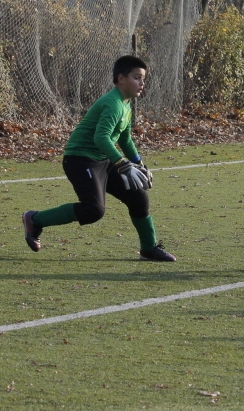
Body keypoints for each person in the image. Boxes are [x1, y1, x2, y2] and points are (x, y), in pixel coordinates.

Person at [21, 54, 175, 261]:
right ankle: (35, 219)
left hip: (103, 158)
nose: (142, 83)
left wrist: (138, 163)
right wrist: (122, 163)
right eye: (137, 77)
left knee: (138, 198)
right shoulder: (113, 103)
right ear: (121, 79)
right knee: (93, 210)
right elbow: (100, 137)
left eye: (143, 78)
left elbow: (125, 138)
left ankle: (149, 248)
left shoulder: (126, 103)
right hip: (80, 159)